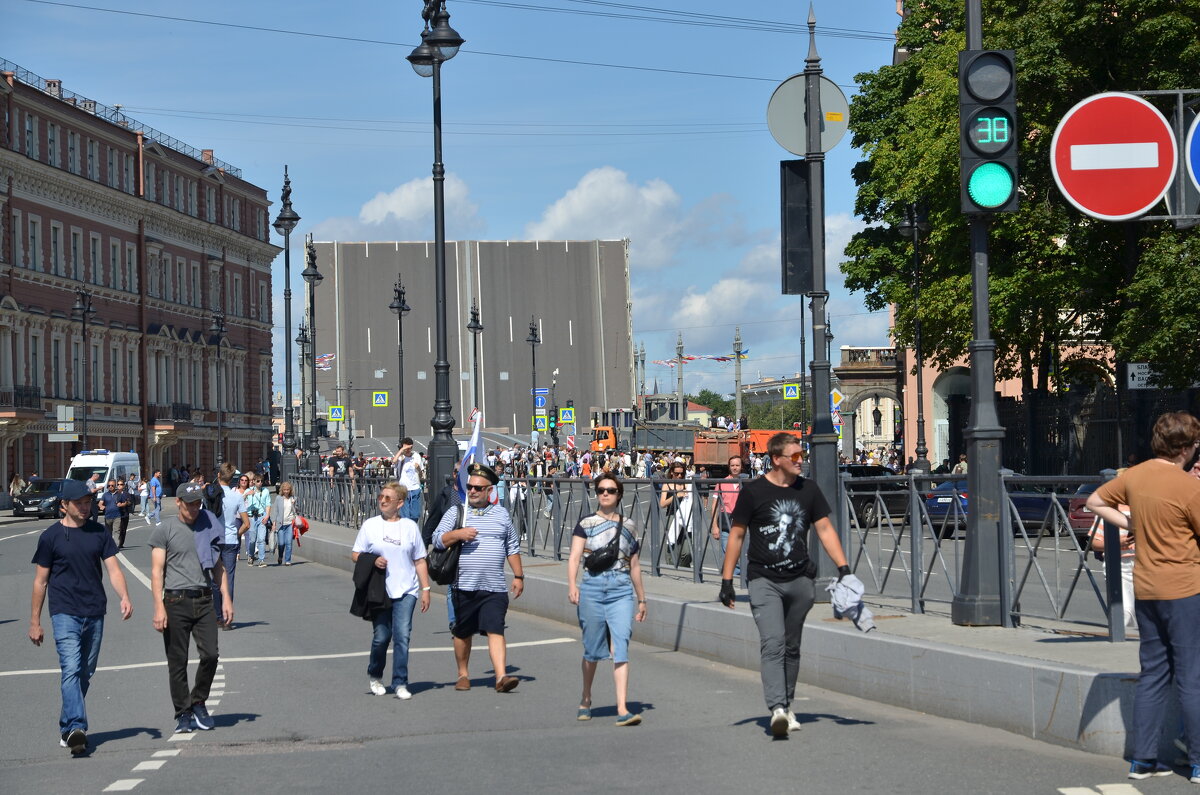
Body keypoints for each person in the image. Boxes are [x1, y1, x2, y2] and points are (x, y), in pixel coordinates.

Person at [1086, 412, 1200, 782]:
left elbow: (1094, 502)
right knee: (1191, 676)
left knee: (1152, 673)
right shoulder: (1188, 487)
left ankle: (1144, 761)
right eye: (1196, 446)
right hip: (1185, 588)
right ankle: (1198, 762)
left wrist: (1130, 524)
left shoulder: (1134, 476)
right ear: (1184, 448)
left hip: (1146, 587)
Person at [717, 432, 852, 738]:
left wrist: (843, 568)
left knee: (791, 646)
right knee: (774, 642)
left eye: (802, 455)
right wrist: (726, 581)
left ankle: (787, 704)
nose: (801, 460)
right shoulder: (754, 491)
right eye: (795, 457)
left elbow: (825, 529)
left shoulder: (809, 490)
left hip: (800, 580)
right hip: (764, 579)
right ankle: (777, 708)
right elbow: (737, 535)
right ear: (777, 459)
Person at [28, 478, 133, 755]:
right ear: (64, 505)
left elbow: (113, 570)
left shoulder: (99, 533)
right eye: (80, 503)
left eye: (88, 502)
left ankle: (67, 727)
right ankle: (77, 726)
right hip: (64, 612)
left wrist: (124, 596)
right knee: (71, 668)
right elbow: (40, 581)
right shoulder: (50, 537)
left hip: (95, 611)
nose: (86, 507)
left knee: (85, 672)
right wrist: (35, 622)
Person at [433, 463, 525, 693]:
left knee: (496, 629)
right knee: (462, 633)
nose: (472, 491)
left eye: (478, 488)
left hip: (494, 586)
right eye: (470, 487)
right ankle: (463, 674)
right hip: (462, 585)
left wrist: (518, 576)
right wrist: (458, 534)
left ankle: (501, 677)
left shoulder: (501, 514)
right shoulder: (457, 513)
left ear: (489, 491)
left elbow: (511, 546)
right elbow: (437, 539)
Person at [150, 482, 233, 734]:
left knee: (211, 655)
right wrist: (158, 607)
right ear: (178, 502)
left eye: (198, 503)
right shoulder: (166, 530)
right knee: (178, 661)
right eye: (190, 504)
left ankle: (198, 701)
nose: (195, 508)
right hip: (175, 601)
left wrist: (226, 598)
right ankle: (182, 712)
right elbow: (156, 571)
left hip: (204, 598)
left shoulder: (208, 525)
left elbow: (218, 566)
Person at [567, 473, 647, 726]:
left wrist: (642, 599)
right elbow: (574, 556)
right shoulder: (586, 523)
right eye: (601, 489)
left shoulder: (630, 526)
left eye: (610, 490)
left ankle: (622, 707)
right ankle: (586, 698)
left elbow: (634, 565)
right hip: (592, 587)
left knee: (621, 645)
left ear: (619, 494)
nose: (605, 494)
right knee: (592, 650)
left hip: (620, 589)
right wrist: (572, 584)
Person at [352, 482, 432, 700]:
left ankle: (400, 682)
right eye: (381, 497)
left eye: (388, 498)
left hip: (407, 589)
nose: (383, 500)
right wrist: (373, 560)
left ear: (400, 503)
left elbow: (419, 560)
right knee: (381, 637)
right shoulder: (370, 525)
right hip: (380, 590)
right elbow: (356, 554)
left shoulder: (409, 527)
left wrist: (425, 589)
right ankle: (375, 675)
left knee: (402, 636)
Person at [213, 463, 250, 629]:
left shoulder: (212, 494)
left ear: (219, 476)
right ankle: (228, 618)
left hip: (214, 540)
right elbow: (246, 524)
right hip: (231, 541)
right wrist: (237, 533)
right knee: (229, 579)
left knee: (215, 580)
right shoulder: (237, 497)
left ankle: (218, 617)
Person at [710, 455, 746, 565]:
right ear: (729, 467)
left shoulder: (745, 483)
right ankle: (733, 577)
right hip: (725, 520)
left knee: (740, 553)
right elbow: (714, 505)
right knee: (728, 551)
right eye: (732, 465)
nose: (735, 468)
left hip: (741, 522)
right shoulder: (721, 482)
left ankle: (735, 576)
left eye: (737, 465)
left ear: (741, 467)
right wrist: (714, 526)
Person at [659, 462, 694, 566]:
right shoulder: (667, 484)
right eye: (676, 473)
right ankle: (671, 566)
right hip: (672, 515)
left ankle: (683, 567)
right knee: (672, 543)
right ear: (671, 473)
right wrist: (676, 495)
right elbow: (662, 504)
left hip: (686, 516)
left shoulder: (687, 484)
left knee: (687, 550)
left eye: (681, 474)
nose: (679, 476)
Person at [393, 438, 425, 521]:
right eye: (406, 448)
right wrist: (402, 450)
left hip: (415, 488)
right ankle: (406, 532)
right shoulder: (401, 458)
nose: (408, 450)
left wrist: (418, 468)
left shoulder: (416, 456)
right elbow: (394, 461)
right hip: (403, 489)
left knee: (415, 515)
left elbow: (421, 473)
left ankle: (413, 531)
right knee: (405, 516)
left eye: (409, 448)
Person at [245, 474, 271, 567]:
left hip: (261, 517)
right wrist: (246, 494)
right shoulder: (249, 490)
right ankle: (251, 555)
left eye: (261, 481)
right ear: (254, 481)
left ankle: (261, 559)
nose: (260, 483)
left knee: (261, 539)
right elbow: (240, 501)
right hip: (251, 517)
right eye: (258, 481)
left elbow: (268, 504)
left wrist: (267, 516)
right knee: (252, 540)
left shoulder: (265, 491)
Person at [272, 481, 298, 566]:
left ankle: (288, 560)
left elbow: (297, 511)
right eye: (285, 490)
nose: (286, 491)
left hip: (289, 524)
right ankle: (280, 556)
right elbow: (275, 510)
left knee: (289, 543)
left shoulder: (293, 498)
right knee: (281, 543)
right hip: (280, 524)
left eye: (288, 490)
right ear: (282, 490)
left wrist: (294, 504)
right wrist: (274, 523)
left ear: (290, 490)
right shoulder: (279, 498)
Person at [114, 479, 133, 549]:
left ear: (124, 485)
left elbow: (130, 502)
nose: (119, 486)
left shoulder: (126, 494)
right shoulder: (115, 494)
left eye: (121, 484)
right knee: (117, 529)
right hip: (116, 514)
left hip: (125, 514)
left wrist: (125, 503)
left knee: (123, 529)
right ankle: (117, 543)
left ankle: (121, 543)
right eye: (118, 484)